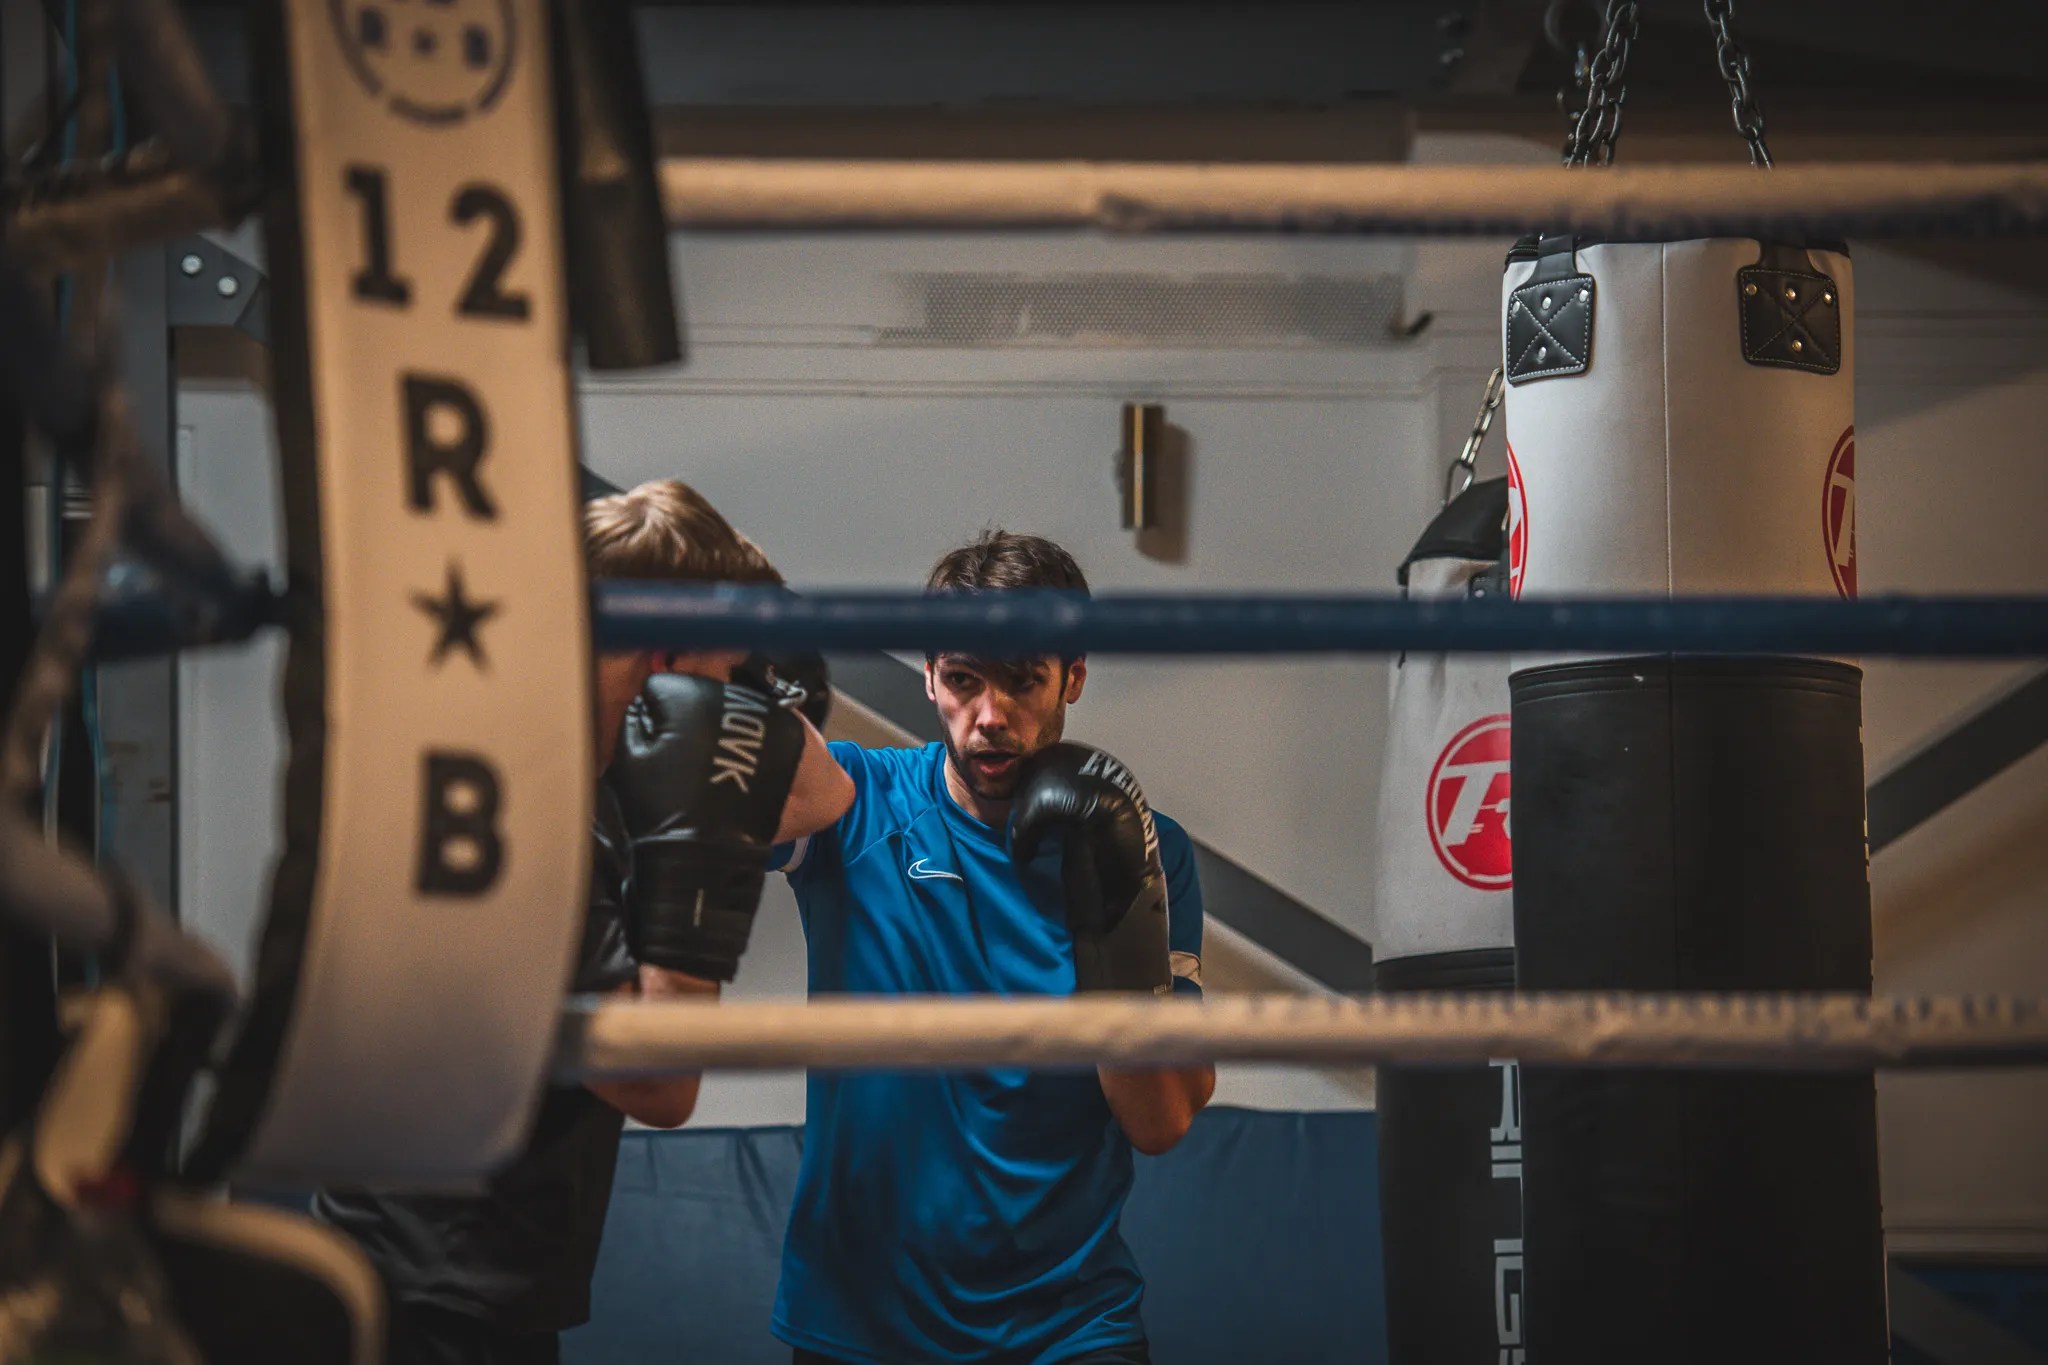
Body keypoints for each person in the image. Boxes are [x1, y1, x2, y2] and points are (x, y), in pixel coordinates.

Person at [314, 479, 855, 1365]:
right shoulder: (525, 815)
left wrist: (752, 675)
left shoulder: (576, 766)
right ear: (660, 662)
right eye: (722, 679)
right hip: (429, 1295)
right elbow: (661, 1084)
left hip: (468, 1281)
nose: (732, 703)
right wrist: (697, 869)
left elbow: (822, 798)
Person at [772, 530, 1214, 1365]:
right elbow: (709, 803)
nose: (990, 716)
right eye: (965, 680)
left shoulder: (1148, 845)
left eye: (1023, 681)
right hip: (859, 1322)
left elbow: (1160, 1121)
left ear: (1072, 676)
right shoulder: (856, 804)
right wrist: (758, 681)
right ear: (931, 674)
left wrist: (1114, 922)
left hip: (1069, 1327)